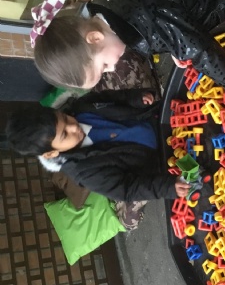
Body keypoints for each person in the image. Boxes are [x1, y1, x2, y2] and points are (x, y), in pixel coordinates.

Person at [31, 0, 225, 108]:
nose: (112, 68)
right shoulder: (110, 5)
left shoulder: (142, 16)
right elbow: (167, 10)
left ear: (95, 37)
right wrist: (174, 43)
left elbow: (198, 48)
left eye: (104, 66)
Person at [5, 88, 191, 206]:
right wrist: (167, 187)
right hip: (168, 157)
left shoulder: (82, 107)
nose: (73, 127)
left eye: (65, 118)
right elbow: (127, 189)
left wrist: (136, 98)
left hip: (163, 119)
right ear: (52, 153)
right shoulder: (86, 173)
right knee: (200, 164)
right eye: (65, 135)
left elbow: (113, 97)